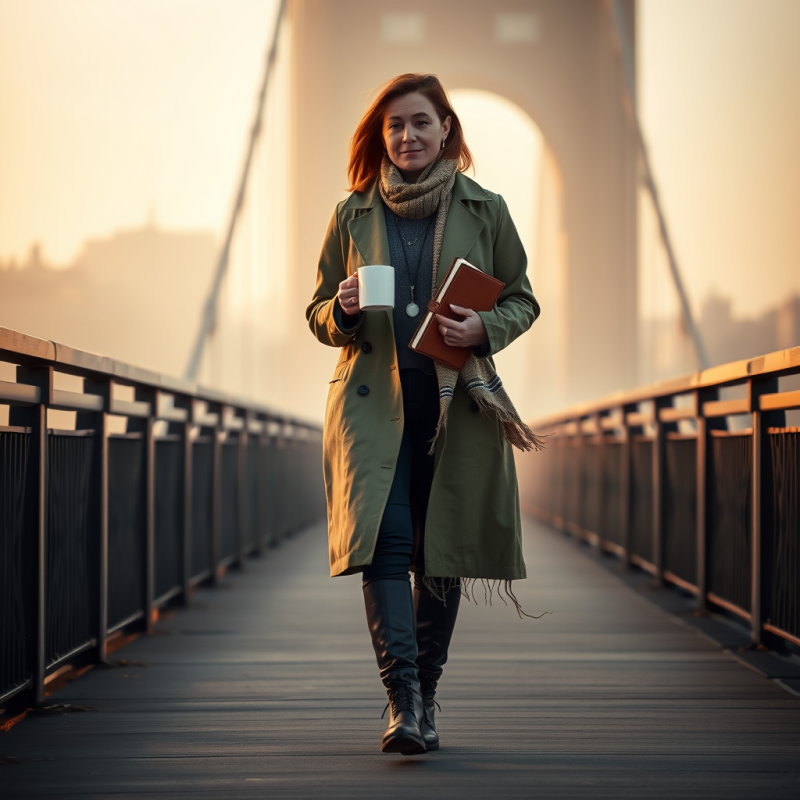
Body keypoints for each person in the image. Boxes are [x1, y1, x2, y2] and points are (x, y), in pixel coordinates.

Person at [306, 73, 542, 755]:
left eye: (420, 123)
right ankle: (402, 705)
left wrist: (484, 329)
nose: (407, 137)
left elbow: (522, 299)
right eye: (394, 126)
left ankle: (426, 698)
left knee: (439, 555)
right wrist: (343, 310)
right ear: (381, 137)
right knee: (387, 546)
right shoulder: (350, 213)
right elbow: (317, 311)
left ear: (447, 130)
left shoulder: (486, 209)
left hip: (455, 409)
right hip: (372, 411)